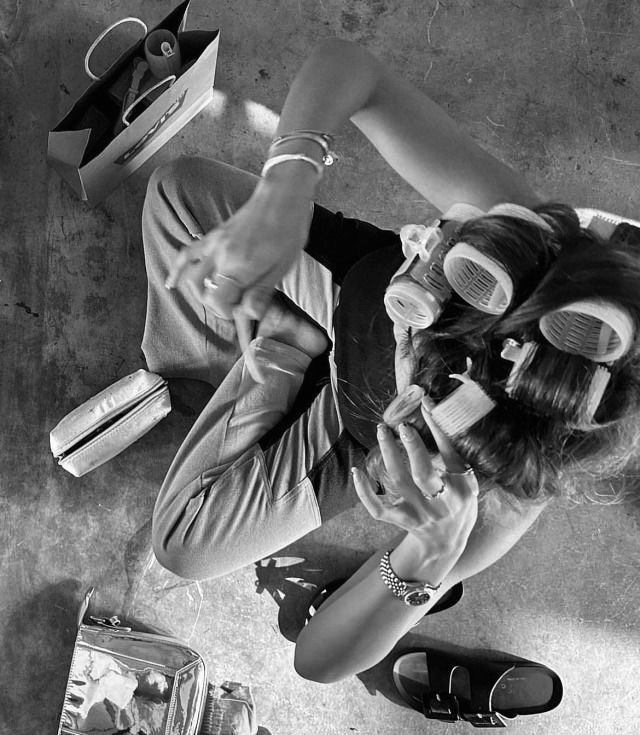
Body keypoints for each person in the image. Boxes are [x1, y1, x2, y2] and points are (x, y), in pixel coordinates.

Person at [142, 39, 640, 684]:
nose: (403, 337)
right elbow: (351, 69)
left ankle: (282, 353)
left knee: (186, 543)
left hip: (357, 431)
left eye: (411, 352)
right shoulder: (526, 237)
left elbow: (318, 660)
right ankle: (242, 366)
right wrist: (285, 186)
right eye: (425, 289)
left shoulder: (498, 487)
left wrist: (426, 560)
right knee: (178, 190)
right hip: (352, 286)